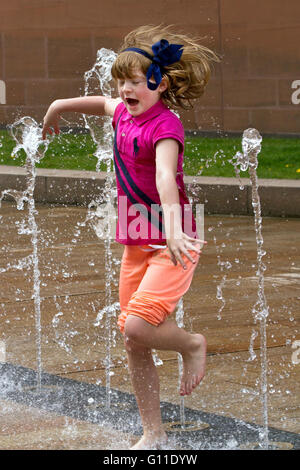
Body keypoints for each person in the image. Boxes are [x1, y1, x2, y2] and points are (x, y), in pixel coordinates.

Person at [42, 24, 219, 450]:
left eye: (135, 81)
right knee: (133, 339)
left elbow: (165, 179)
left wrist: (174, 231)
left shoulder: (166, 127)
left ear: (159, 84)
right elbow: (99, 103)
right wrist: (57, 106)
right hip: (136, 240)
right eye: (121, 80)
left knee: (138, 325)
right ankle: (153, 432)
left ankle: (191, 344)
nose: (124, 89)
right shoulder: (123, 112)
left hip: (174, 241)